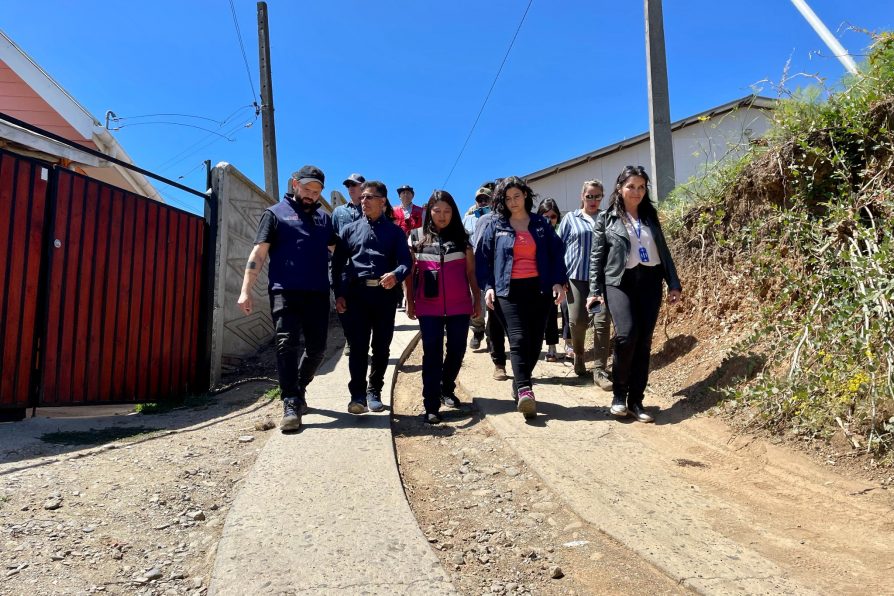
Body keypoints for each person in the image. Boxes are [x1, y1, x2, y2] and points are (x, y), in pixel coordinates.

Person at [237, 165, 335, 432]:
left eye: (316, 192)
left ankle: (299, 387)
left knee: (317, 350)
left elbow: (339, 252)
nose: (311, 195)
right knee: (286, 344)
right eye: (307, 189)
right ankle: (290, 400)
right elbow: (258, 253)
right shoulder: (275, 214)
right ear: (294, 183)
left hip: (317, 293)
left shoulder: (324, 219)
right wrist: (246, 289)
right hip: (285, 292)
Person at [587, 166, 682, 423]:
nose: (636, 192)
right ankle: (619, 395)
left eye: (641, 187)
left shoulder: (650, 217)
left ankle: (636, 401)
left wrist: (673, 283)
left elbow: (663, 252)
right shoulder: (606, 219)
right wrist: (595, 292)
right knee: (626, 335)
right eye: (631, 186)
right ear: (620, 188)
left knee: (644, 342)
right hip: (619, 281)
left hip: (650, 281)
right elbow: (596, 259)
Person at [476, 176, 567, 419]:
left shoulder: (540, 224)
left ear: (525, 195)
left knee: (535, 343)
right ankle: (526, 390)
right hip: (508, 290)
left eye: (517, 196)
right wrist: (488, 287)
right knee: (517, 338)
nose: (513, 201)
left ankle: (518, 383)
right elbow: (482, 259)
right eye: (507, 198)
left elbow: (557, 253)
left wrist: (558, 281)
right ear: (502, 201)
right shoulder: (496, 225)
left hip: (539, 289)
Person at [332, 181, 412, 414]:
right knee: (357, 347)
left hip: (384, 296)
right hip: (356, 296)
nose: (363, 201)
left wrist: (396, 275)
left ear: (382, 201)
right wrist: (339, 294)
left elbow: (407, 262)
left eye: (369, 197)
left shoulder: (395, 232)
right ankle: (357, 395)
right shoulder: (349, 231)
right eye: (363, 197)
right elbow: (337, 267)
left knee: (381, 346)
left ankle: (374, 390)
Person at [405, 190, 481, 424]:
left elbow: (471, 273)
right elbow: (410, 273)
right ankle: (431, 405)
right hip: (428, 307)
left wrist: (476, 299)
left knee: (457, 350)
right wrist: (409, 299)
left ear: (454, 213)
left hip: (459, 305)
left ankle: (446, 388)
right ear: (429, 212)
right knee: (432, 354)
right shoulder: (415, 237)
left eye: (447, 211)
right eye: (437, 210)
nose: (442, 215)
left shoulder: (463, 238)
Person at [558, 180, 613, 390]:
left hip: (601, 280)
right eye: (589, 196)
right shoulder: (571, 218)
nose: (593, 200)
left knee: (602, 323)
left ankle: (600, 370)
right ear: (582, 196)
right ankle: (579, 355)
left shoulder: (608, 218)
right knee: (577, 322)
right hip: (575, 277)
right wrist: (559, 277)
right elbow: (558, 247)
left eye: (597, 196)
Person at [536, 198, 567, 363]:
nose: (549, 220)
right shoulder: (532, 232)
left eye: (553, 216)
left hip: (552, 281)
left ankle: (552, 348)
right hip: (534, 281)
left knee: (552, 314)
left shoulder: (559, 235)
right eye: (545, 215)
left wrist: (561, 281)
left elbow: (560, 261)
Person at [462, 186, 493, 349]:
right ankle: (477, 330)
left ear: (491, 200)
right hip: (473, 265)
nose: (482, 202)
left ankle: (492, 334)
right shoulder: (467, 219)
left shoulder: (497, 217)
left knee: (494, 301)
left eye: (485, 199)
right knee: (476, 299)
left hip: (492, 265)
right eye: (479, 200)